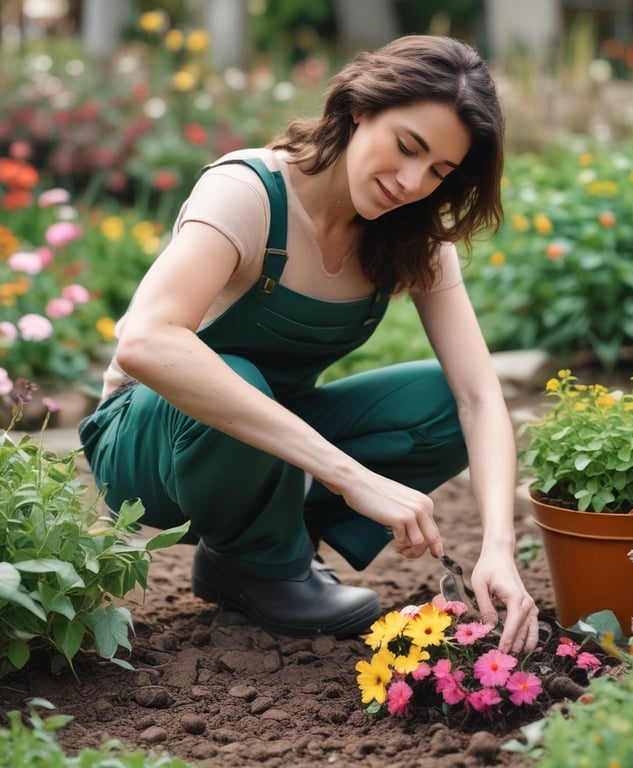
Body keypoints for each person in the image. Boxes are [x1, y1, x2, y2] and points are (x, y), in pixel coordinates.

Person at [79, 34, 539, 653]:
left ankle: (252, 557)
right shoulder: (249, 192)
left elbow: (479, 398)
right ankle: (266, 563)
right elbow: (145, 341)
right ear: (358, 108)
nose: (411, 182)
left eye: (439, 171)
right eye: (407, 147)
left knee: (439, 406)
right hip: (148, 450)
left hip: (275, 445)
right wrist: (351, 477)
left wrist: (499, 551)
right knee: (236, 374)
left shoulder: (412, 237)